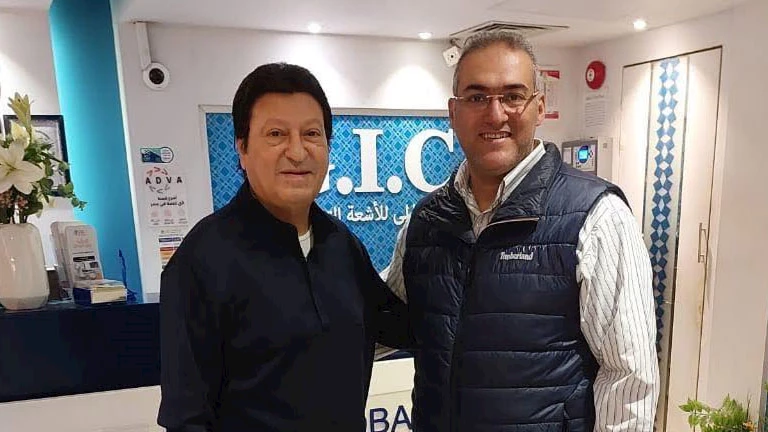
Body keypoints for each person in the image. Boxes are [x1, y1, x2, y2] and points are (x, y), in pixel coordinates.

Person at [386, 31, 659, 432]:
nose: (495, 114)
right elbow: (382, 322)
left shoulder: (596, 217)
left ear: (539, 107)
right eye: (477, 97)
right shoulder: (426, 222)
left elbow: (629, 380)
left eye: (513, 96)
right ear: (453, 112)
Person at [158, 62, 410, 432]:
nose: (297, 151)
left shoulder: (341, 245)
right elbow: (187, 417)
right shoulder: (203, 260)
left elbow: (404, 327)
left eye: (311, 134)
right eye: (276, 134)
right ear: (242, 149)